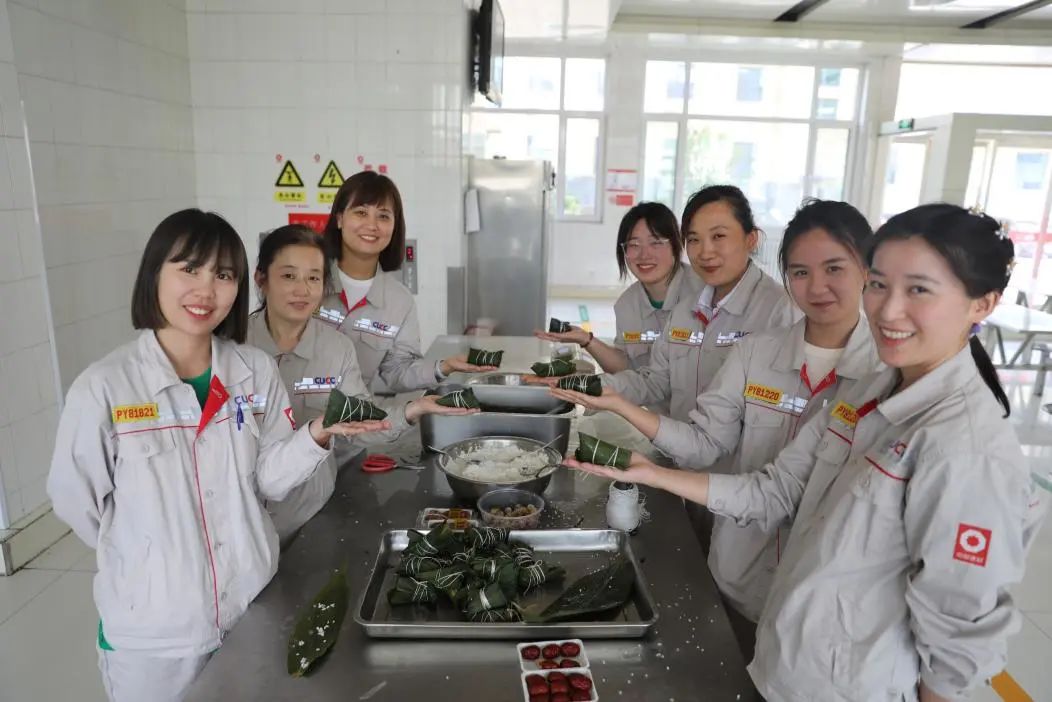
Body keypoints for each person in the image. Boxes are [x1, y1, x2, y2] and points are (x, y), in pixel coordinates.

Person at [569, 204, 1047, 701]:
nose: (888, 310)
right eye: (880, 284)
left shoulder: (967, 449)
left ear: (982, 303)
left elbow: (956, 640)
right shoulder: (868, 392)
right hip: (789, 659)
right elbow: (775, 490)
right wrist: (651, 472)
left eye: (919, 290)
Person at [46, 210, 386, 701]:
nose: (206, 290)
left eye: (223, 275)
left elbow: (270, 481)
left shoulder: (254, 370)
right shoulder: (105, 388)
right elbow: (77, 502)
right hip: (158, 636)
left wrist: (316, 434)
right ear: (154, 274)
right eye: (189, 269)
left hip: (251, 607)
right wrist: (148, 557)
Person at [554, 199, 880, 657]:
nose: (816, 285)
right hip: (739, 563)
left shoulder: (882, 377)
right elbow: (703, 438)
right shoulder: (754, 351)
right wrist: (615, 403)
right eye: (801, 272)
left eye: (834, 268)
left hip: (825, 597)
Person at [247, 224, 477, 543]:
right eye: (288, 276)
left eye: (313, 278)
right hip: (244, 523)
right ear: (261, 279)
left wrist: (414, 409)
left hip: (310, 518)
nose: (302, 289)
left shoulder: (336, 349)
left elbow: (359, 423)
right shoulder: (231, 350)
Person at [596, 185, 797, 424]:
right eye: (694, 239)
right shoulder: (686, 309)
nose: (705, 252)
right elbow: (655, 381)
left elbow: (778, 413)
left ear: (751, 239)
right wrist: (590, 386)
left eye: (718, 236)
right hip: (678, 442)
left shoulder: (779, 311)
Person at [317, 171, 494, 394]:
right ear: (340, 219)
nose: (372, 225)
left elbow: (397, 372)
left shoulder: (399, 301)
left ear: (394, 226)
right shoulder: (310, 279)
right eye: (361, 212)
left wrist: (444, 367)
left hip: (351, 413)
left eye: (383, 216)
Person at [535, 202, 700, 380]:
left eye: (655, 243)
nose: (644, 255)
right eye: (634, 244)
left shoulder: (704, 294)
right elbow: (625, 367)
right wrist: (586, 340)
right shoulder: (626, 305)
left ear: (676, 244)